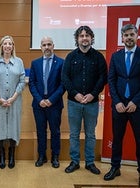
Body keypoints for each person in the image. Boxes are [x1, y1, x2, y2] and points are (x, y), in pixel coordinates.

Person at [61, 25, 107, 175]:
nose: (84, 38)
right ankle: (74, 162)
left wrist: (93, 94)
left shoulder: (99, 57)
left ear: (91, 38)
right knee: (74, 134)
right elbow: (65, 77)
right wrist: (76, 94)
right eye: (81, 36)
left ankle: (90, 162)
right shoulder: (70, 57)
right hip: (74, 102)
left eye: (87, 35)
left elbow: (103, 78)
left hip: (92, 103)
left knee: (91, 134)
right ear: (77, 39)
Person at [104, 24, 140, 186]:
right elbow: (111, 80)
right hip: (119, 106)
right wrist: (117, 101)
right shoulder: (116, 56)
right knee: (117, 139)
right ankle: (115, 167)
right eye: (126, 35)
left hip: (137, 106)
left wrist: (135, 101)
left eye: (131, 34)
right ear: (122, 38)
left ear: (136, 35)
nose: (129, 38)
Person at [28, 36, 64, 168]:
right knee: (40, 131)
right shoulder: (35, 63)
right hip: (39, 105)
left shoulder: (61, 62)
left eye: (49, 44)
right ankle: (41, 156)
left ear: (53, 46)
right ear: (41, 47)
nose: (47, 47)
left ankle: (55, 156)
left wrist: (50, 100)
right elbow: (32, 83)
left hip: (54, 104)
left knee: (55, 131)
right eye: (44, 45)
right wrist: (40, 100)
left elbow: (62, 85)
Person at [0, 36, 25, 169]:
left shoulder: (19, 61)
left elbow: (22, 81)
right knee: (0, 126)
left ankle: (11, 155)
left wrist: (13, 97)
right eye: (5, 43)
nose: (8, 46)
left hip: (14, 101)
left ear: (13, 46)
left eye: (10, 44)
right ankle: (1, 156)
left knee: (12, 126)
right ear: (1, 46)